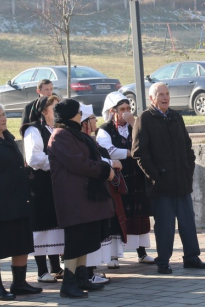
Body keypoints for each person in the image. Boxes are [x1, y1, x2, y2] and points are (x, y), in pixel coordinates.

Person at [131, 82, 205, 274]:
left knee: (188, 222)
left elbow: (187, 147)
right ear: (152, 98)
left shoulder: (176, 117)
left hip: (182, 182)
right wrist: (156, 177)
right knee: (165, 226)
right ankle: (163, 261)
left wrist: (188, 169)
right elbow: (139, 153)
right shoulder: (144, 119)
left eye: (167, 94)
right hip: (160, 185)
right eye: (160, 94)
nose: (165, 98)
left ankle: (192, 257)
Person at [0, 101, 42, 301]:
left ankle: (19, 283)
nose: (3, 119)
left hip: (16, 201)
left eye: (3, 114)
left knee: (20, 241)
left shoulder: (7, 136)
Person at [47, 99, 115, 298]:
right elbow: (80, 164)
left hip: (83, 197)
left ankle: (81, 278)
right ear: (70, 115)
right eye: (78, 112)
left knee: (85, 238)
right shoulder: (60, 136)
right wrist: (105, 170)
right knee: (76, 240)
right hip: (72, 198)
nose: (81, 116)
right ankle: (68, 284)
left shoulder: (73, 134)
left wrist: (104, 169)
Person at [97, 92, 154, 269]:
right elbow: (109, 151)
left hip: (137, 176)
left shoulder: (133, 126)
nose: (126, 112)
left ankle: (141, 251)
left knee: (139, 212)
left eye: (128, 108)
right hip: (118, 178)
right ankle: (113, 255)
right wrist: (130, 153)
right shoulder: (104, 130)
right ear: (113, 111)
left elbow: (146, 140)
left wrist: (132, 122)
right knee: (118, 213)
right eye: (122, 109)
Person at [20, 95, 65, 283]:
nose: (57, 112)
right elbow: (34, 158)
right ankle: (41, 270)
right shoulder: (34, 129)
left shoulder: (54, 128)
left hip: (53, 183)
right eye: (54, 108)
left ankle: (55, 266)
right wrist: (58, 163)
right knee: (41, 226)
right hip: (39, 185)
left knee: (54, 224)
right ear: (43, 111)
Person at [79, 103, 123, 285]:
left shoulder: (88, 139)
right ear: (84, 122)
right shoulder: (80, 140)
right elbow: (92, 161)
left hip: (96, 194)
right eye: (91, 118)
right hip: (87, 194)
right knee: (87, 235)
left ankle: (90, 272)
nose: (95, 120)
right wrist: (110, 164)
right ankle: (87, 274)